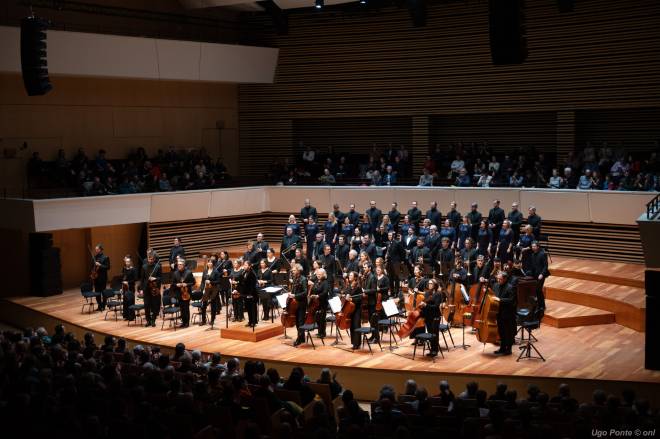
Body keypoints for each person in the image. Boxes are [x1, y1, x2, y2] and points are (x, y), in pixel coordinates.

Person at [493, 271, 517, 355]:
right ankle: (502, 348)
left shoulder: (510, 287)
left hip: (507, 313)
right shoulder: (495, 285)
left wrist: (500, 300)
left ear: (505, 279)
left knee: (508, 332)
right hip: (498, 312)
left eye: (500, 279)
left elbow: (512, 300)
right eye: (497, 279)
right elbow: (493, 296)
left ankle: (508, 349)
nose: (498, 280)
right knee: (501, 331)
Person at [419, 278, 443, 356]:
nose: (429, 285)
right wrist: (422, 305)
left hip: (435, 316)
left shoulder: (438, 294)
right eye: (428, 283)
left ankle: (435, 350)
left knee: (434, 333)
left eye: (431, 283)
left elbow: (436, 306)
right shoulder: (427, 293)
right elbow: (426, 304)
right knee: (429, 332)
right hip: (428, 315)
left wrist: (426, 305)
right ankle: (431, 349)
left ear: (435, 285)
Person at [139, 250, 162, 327]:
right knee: (146, 305)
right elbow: (142, 279)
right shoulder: (144, 267)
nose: (151, 260)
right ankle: (148, 320)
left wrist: (154, 278)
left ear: (154, 259)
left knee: (154, 305)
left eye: (152, 259)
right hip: (146, 288)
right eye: (149, 259)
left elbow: (161, 278)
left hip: (154, 288)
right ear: (147, 259)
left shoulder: (158, 267)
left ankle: (153, 320)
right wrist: (141, 289)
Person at [528, 241, 549, 316]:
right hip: (535, 275)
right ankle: (540, 305)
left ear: (538, 246)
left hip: (541, 275)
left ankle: (542, 306)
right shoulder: (533, 254)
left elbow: (545, 266)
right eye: (532, 246)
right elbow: (533, 266)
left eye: (534, 246)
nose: (533, 247)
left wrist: (542, 274)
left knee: (538, 290)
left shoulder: (543, 254)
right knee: (537, 291)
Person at [290, 264, 308, 347]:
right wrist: (291, 293)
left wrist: (295, 296)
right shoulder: (295, 278)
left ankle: (299, 339)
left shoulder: (303, 279)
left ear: (298, 270)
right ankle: (302, 337)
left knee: (300, 321)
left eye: (294, 270)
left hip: (301, 304)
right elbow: (294, 290)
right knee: (297, 321)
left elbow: (305, 292)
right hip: (295, 303)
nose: (292, 271)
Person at [172, 260, 194, 328]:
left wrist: (186, 284)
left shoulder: (189, 272)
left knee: (186, 308)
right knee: (181, 308)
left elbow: (193, 282)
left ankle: (187, 322)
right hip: (179, 293)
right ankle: (183, 322)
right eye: (178, 264)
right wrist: (176, 285)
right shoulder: (175, 273)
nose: (179, 266)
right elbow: (173, 283)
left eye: (181, 264)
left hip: (186, 293)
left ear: (184, 265)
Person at [200, 258, 221, 326]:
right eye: (208, 262)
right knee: (203, 306)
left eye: (211, 262)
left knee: (213, 305)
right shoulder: (205, 271)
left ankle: (212, 320)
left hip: (213, 290)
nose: (209, 263)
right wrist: (202, 289)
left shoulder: (216, 271)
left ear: (213, 264)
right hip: (206, 290)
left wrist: (211, 282)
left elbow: (218, 281)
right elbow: (203, 281)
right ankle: (203, 320)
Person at [310, 268, 330, 338]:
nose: (318, 275)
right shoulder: (316, 281)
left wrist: (318, 296)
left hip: (323, 302)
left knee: (322, 318)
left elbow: (325, 292)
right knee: (317, 317)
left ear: (323, 275)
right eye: (317, 274)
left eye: (320, 274)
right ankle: (319, 332)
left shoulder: (325, 282)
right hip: (316, 303)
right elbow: (313, 289)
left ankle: (323, 333)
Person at [361, 263, 379, 342]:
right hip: (367, 302)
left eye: (365, 267)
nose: (364, 268)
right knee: (370, 321)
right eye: (363, 267)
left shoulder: (373, 277)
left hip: (372, 302)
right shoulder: (366, 276)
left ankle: (376, 338)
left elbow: (374, 290)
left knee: (374, 321)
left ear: (370, 268)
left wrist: (365, 291)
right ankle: (372, 336)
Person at [92, 244, 110, 311]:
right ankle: (99, 306)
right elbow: (93, 267)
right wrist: (93, 272)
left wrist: (100, 265)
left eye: (96, 249)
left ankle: (103, 305)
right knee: (97, 293)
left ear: (100, 249)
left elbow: (108, 267)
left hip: (102, 278)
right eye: (95, 249)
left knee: (103, 293)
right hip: (96, 277)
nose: (95, 250)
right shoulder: (95, 257)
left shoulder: (105, 257)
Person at [121, 255, 138, 321]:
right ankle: (126, 315)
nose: (127, 263)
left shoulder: (133, 269)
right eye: (126, 262)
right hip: (125, 287)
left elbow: (135, 279)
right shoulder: (124, 269)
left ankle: (131, 316)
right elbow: (123, 278)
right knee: (125, 301)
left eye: (128, 262)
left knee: (130, 301)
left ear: (130, 262)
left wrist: (128, 282)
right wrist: (121, 286)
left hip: (131, 287)